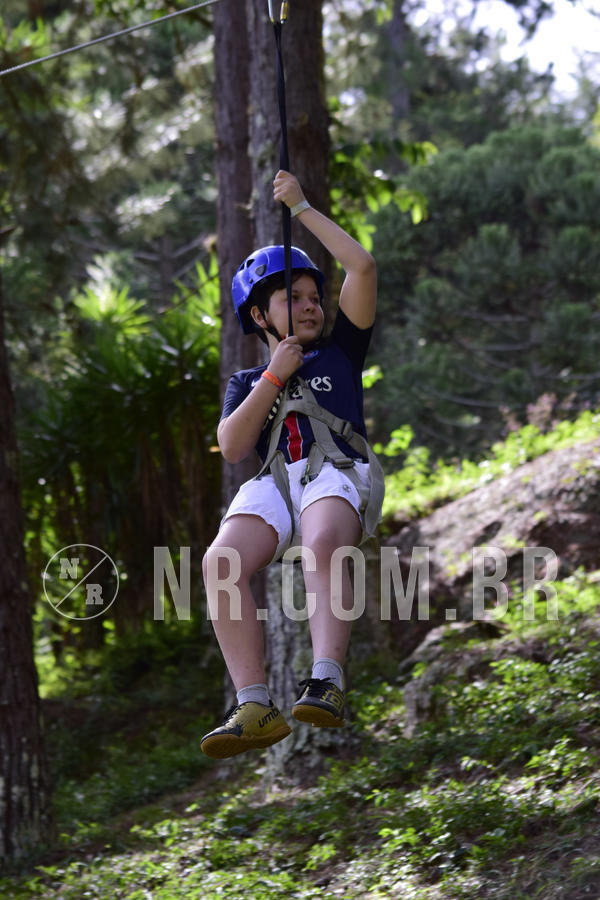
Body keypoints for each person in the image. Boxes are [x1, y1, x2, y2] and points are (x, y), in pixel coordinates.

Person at [200, 170, 383, 759]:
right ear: (259, 316)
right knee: (220, 561)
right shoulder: (249, 381)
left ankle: (326, 678)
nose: (309, 307)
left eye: (313, 298)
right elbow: (232, 445)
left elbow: (362, 268)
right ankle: (253, 704)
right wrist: (275, 374)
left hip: (338, 472)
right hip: (279, 481)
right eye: (292, 299)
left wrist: (301, 206)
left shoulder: (342, 351)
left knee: (324, 537)